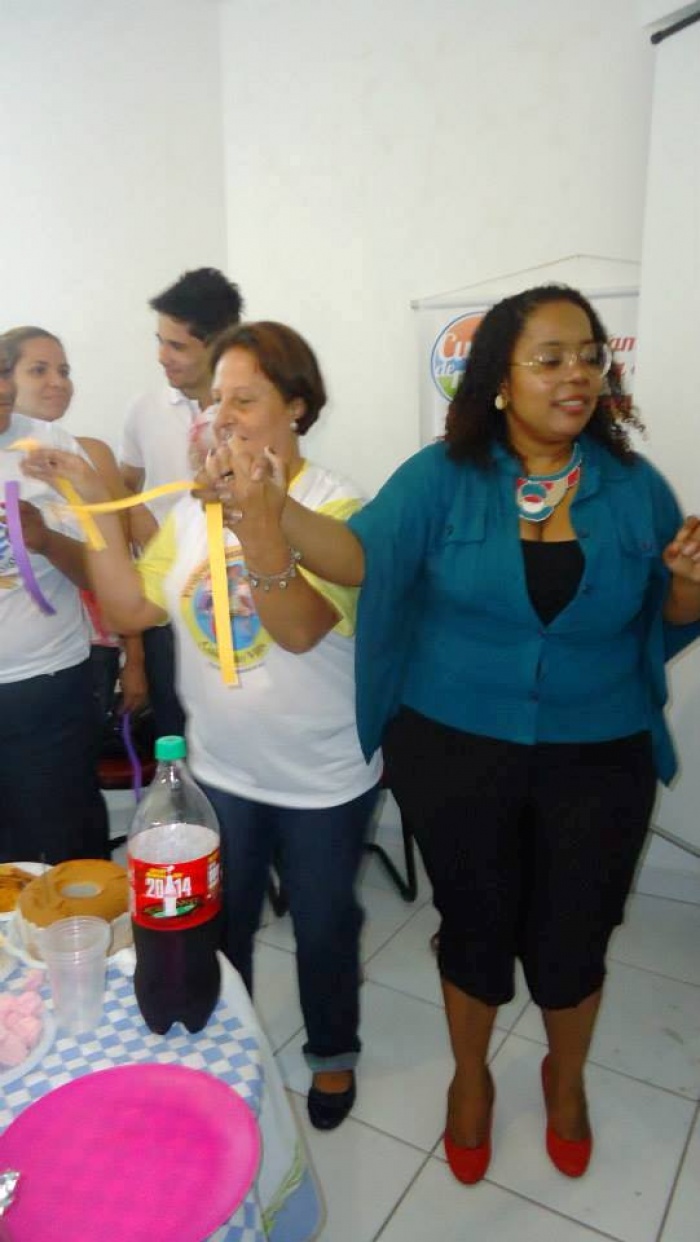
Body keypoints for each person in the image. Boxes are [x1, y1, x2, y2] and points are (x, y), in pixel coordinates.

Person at [195, 285, 700, 1183]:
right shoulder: (442, 478)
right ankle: (471, 1077)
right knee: (473, 922)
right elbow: (360, 556)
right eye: (550, 359)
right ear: (500, 379)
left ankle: (566, 1078)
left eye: (589, 357)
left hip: (600, 752)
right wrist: (271, 510)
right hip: (456, 749)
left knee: (575, 933)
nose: (577, 374)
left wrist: (691, 584)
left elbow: (668, 616)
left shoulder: (634, 489)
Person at [23, 321, 382, 1132]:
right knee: (221, 925)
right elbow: (129, 607)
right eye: (217, 399)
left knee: (325, 925)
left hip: (323, 776)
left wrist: (256, 515)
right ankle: (231, 1045)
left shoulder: (339, 504)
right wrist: (89, 503)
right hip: (220, 773)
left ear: (297, 406)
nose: (222, 416)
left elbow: (299, 630)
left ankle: (332, 1052)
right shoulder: (192, 510)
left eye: (244, 399)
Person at [118, 268, 244, 740]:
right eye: (160, 341)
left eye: (176, 345)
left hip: (239, 604)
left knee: (237, 727)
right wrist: (143, 522)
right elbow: (125, 486)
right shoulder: (144, 409)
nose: (161, 356)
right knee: (175, 735)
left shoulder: (253, 414)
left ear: (218, 345)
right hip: (165, 606)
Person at [2, 325, 148, 723]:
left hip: (74, 653)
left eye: (64, 371)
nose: (58, 383)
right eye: (39, 370)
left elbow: (125, 557)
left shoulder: (86, 456)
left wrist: (135, 658)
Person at [0, 338, 109, 863]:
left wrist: (43, 538)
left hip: (46, 687)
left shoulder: (50, 448)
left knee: (60, 853)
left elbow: (101, 570)